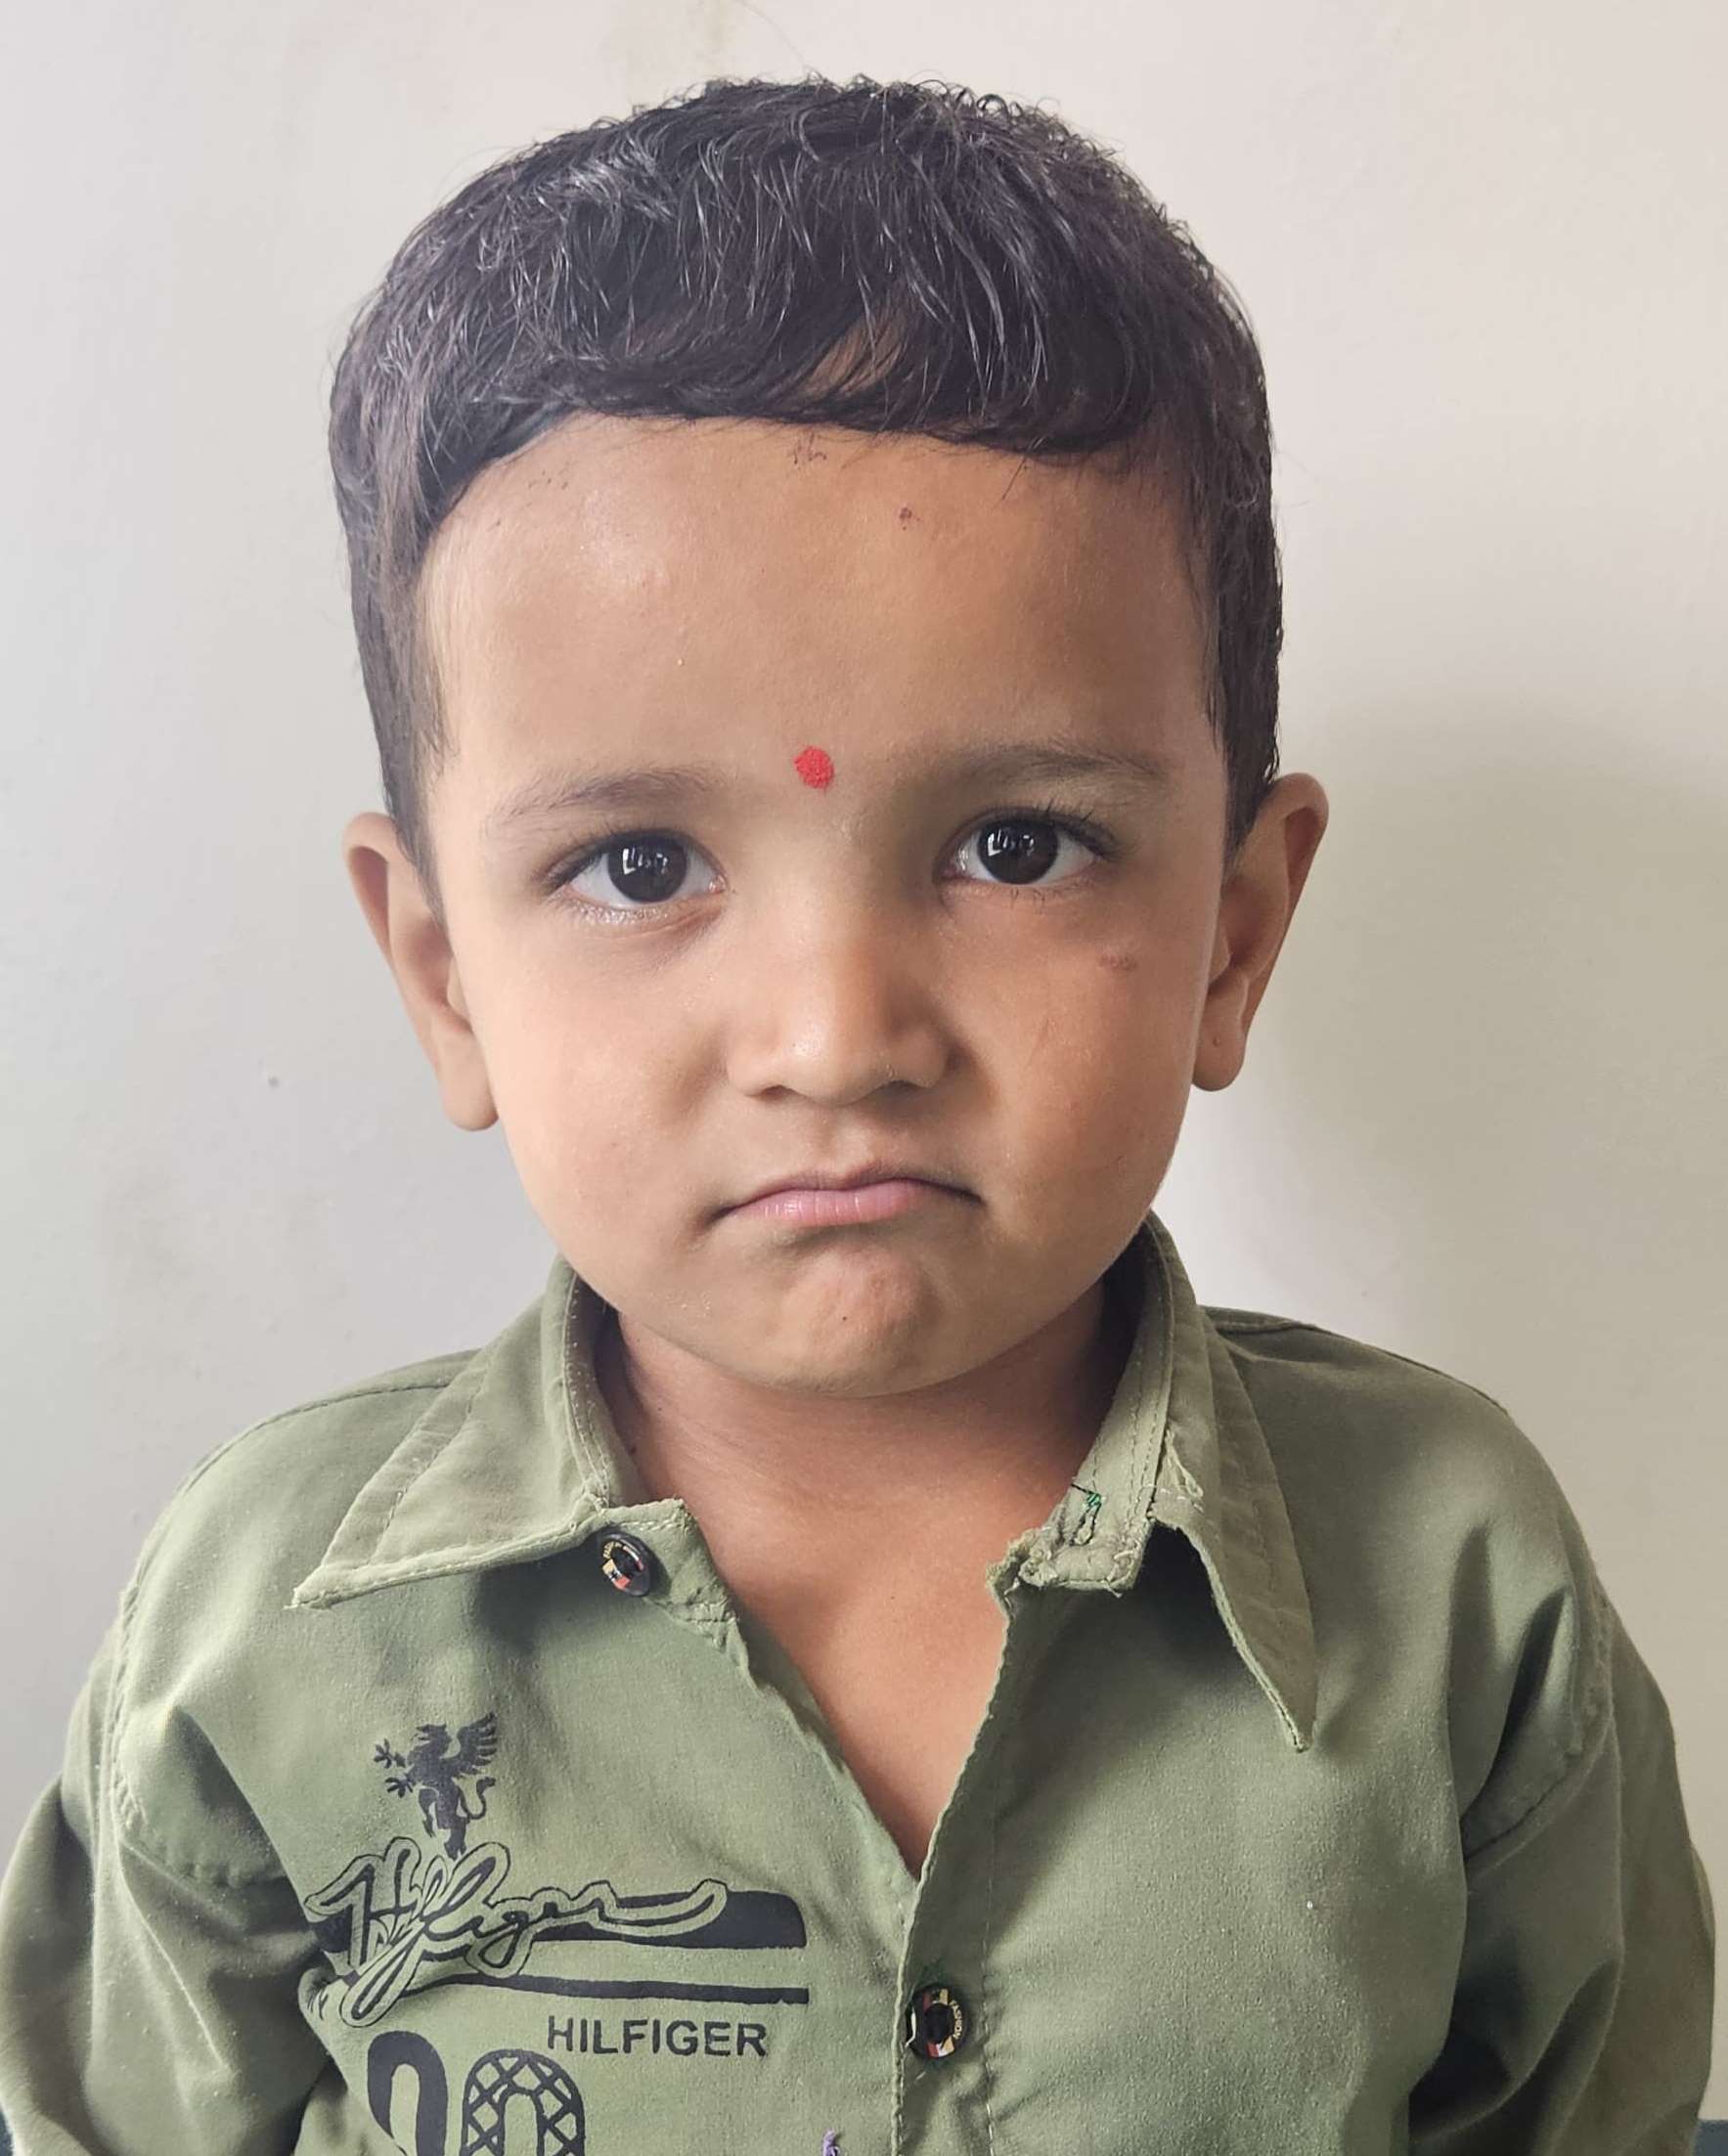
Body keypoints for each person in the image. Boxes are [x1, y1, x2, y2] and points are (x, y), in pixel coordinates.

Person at [0, 71, 1712, 2156]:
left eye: (1016, 843)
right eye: (640, 864)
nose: (834, 1035)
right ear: (443, 974)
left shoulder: (1457, 1588)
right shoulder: (254, 1628)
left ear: (1234, 933)